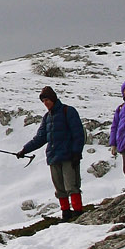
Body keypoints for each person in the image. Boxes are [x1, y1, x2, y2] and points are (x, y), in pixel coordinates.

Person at [17, 86, 87, 220]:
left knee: (71, 186)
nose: (45, 103)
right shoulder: (46, 118)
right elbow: (40, 138)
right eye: (43, 101)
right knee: (60, 189)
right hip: (53, 157)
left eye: (47, 100)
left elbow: (78, 134)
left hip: (68, 156)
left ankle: (78, 212)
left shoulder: (68, 111)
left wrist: (76, 153)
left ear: (53, 98)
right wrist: (24, 150)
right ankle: (66, 214)